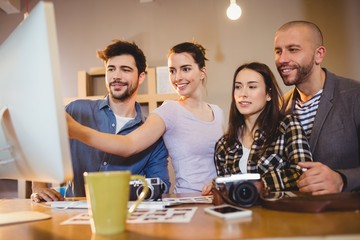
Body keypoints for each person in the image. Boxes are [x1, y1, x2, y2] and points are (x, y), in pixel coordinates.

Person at [67, 42, 225, 193]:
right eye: (172, 71)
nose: (177, 77)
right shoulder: (168, 111)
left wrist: (221, 183)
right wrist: (41, 187)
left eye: (185, 69)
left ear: (202, 72)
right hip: (188, 198)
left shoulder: (218, 112)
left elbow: (160, 183)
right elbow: (129, 145)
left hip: (218, 198)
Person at [31, 40, 170, 202]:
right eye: (111, 69)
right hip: (73, 216)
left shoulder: (151, 135)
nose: (116, 76)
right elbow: (42, 146)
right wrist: (38, 186)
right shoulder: (76, 110)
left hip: (125, 217)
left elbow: (161, 186)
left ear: (141, 77)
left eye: (125, 70)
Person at [274, 20, 360, 195]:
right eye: (278, 51)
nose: (282, 59)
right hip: (296, 216)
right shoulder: (279, 108)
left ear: (319, 55)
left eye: (293, 49)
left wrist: (342, 179)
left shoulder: (355, 95)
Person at [202, 62, 312, 195]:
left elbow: (303, 173)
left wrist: (257, 185)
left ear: (268, 94)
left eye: (252, 87)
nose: (243, 94)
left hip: (278, 212)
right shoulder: (224, 144)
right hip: (237, 214)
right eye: (238, 87)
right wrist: (218, 186)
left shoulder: (287, 125)